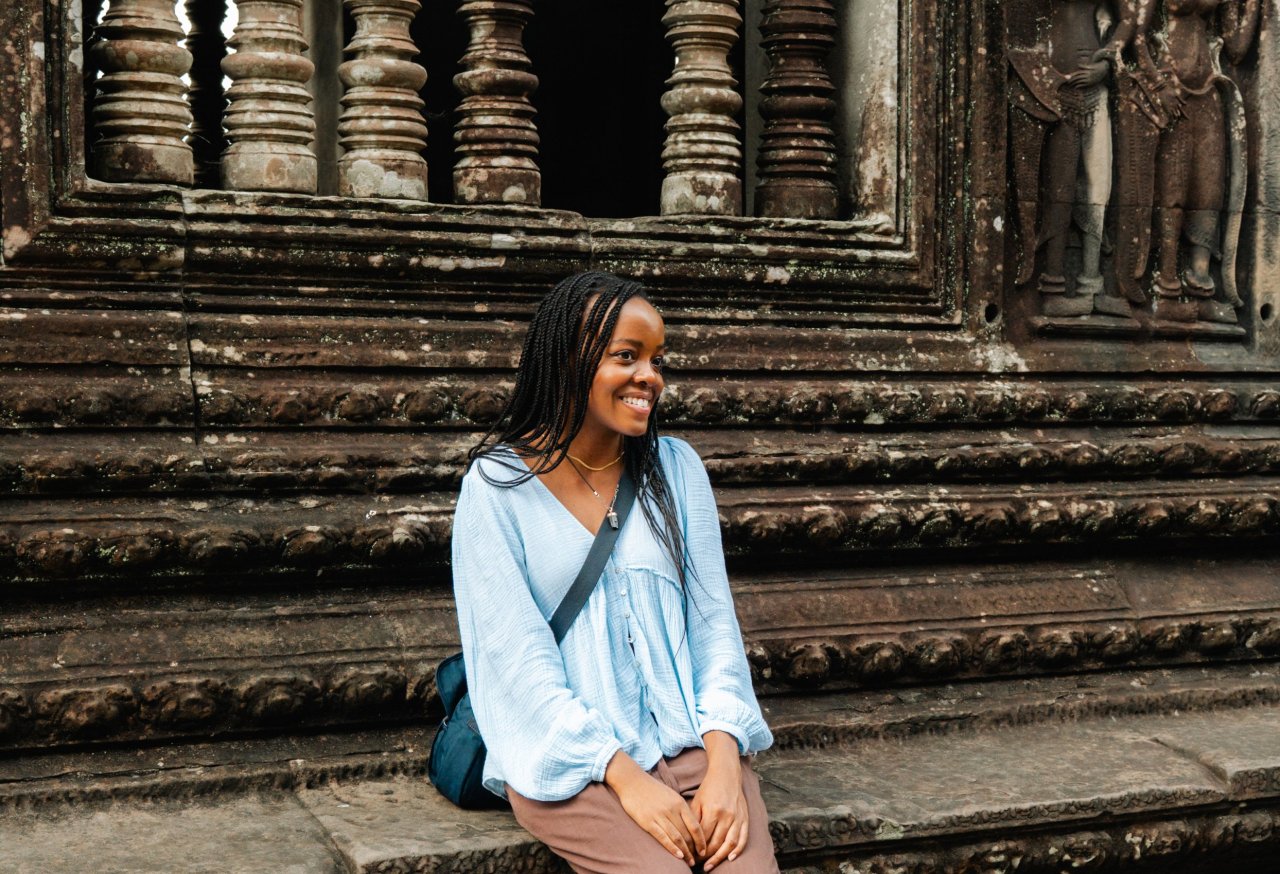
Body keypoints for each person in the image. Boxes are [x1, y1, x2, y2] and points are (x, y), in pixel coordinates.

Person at [451, 271, 777, 873]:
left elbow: (714, 629)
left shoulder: (676, 469)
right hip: (577, 768)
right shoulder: (497, 490)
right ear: (566, 362)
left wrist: (728, 766)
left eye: (656, 359)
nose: (649, 377)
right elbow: (516, 662)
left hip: (694, 748)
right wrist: (626, 778)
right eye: (626, 356)